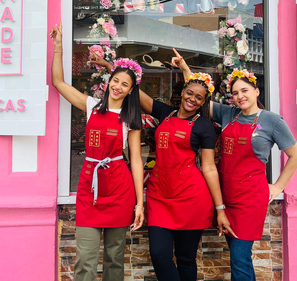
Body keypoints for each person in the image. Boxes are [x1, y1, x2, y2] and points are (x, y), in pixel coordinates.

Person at [89, 52, 236, 281]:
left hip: (191, 198)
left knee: (186, 259)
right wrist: (110, 66)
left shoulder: (204, 127)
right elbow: (134, 91)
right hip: (159, 196)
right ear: (182, 93)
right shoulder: (164, 113)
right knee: (159, 255)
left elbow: (208, 168)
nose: (193, 100)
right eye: (190, 93)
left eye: (199, 98)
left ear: (203, 101)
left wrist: (220, 209)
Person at [173, 49, 297, 281]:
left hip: (251, 199)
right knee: (238, 256)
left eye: (244, 90)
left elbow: (295, 155)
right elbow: (197, 94)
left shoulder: (272, 120)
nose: (240, 96)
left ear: (256, 91)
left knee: (240, 257)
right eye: (235, 93)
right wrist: (184, 69)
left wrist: (278, 186)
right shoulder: (228, 114)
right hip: (226, 196)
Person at [50, 23, 145, 281]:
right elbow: (58, 83)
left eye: (125, 84)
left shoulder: (130, 119)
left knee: (115, 259)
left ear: (130, 90)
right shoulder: (91, 106)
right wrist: (58, 48)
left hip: (119, 190)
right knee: (85, 260)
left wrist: (139, 203)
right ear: (109, 81)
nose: (118, 87)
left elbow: (136, 161)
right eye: (115, 80)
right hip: (90, 190)